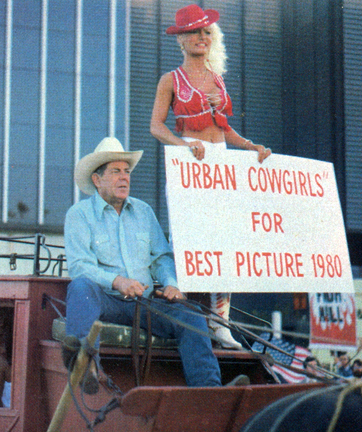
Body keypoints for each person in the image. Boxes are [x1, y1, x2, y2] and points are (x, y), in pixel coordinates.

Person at [64, 137, 248, 393]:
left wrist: (172, 284)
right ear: (97, 180)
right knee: (81, 287)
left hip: (145, 303)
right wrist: (118, 281)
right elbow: (80, 266)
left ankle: (209, 392)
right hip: (106, 301)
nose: (124, 178)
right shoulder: (79, 215)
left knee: (191, 314)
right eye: (115, 172)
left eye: (127, 172)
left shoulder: (143, 212)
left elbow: (161, 258)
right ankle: (88, 368)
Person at [150, 4, 271, 350]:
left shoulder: (218, 78)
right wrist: (183, 146)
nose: (201, 38)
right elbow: (156, 126)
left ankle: (221, 322)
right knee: (190, 239)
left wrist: (250, 146)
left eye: (206, 32)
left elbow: (224, 128)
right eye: (193, 32)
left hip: (220, 163)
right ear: (182, 40)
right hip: (190, 164)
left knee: (224, 241)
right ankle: (183, 318)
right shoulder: (170, 80)